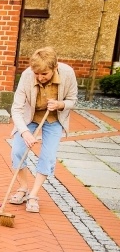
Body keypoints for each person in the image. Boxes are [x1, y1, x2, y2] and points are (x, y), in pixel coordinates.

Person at [9, 46, 78, 213]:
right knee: (17, 151)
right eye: (36, 74)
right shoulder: (26, 76)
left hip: (53, 120)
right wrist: (25, 132)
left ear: (54, 68)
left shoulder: (67, 73)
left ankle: (33, 194)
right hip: (29, 118)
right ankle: (23, 187)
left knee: (47, 158)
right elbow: (16, 109)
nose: (39, 77)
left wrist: (60, 104)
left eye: (44, 74)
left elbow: (73, 100)